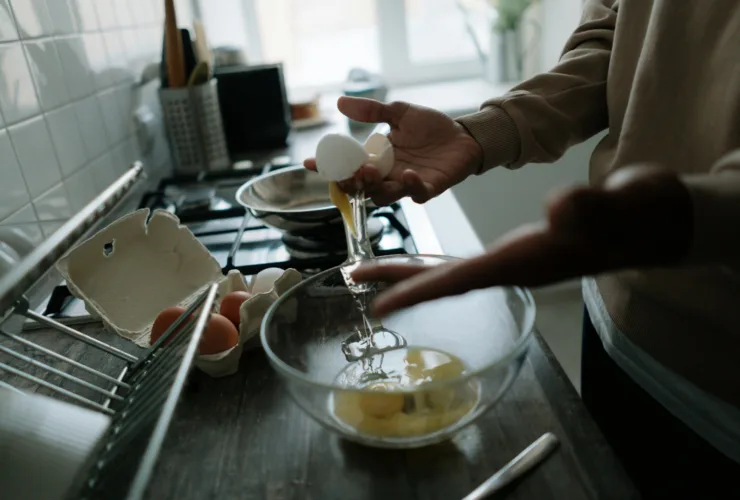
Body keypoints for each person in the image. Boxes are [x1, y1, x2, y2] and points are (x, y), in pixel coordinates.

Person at [304, 1, 740, 498]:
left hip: (721, 385)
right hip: (614, 323)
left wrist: (692, 216)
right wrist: (479, 132)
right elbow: (612, 42)